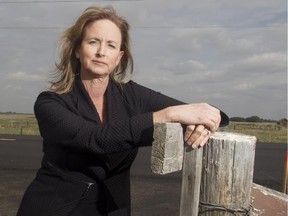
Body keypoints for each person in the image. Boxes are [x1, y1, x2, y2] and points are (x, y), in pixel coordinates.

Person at [17, 5, 229, 216]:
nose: (101, 51)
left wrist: (204, 121)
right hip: (56, 209)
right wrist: (167, 115)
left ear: (118, 57)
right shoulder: (50, 102)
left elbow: (203, 111)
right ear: (77, 50)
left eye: (110, 45)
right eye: (93, 42)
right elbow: (94, 139)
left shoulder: (132, 95)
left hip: (114, 208)